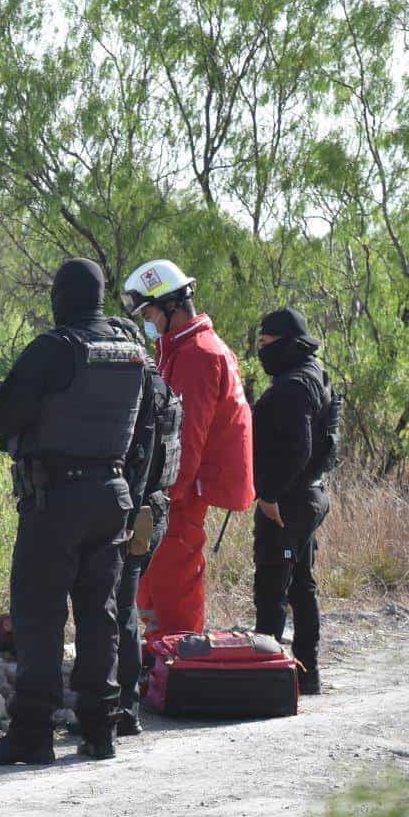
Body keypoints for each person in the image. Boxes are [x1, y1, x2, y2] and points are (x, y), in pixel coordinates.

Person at [0, 258, 149, 764]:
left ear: (61, 296)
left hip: (56, 500)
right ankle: (100, 730)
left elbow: (4, 415)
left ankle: (33, 735)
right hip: (113, 495)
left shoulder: (55, 348)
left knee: (40, 617)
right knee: (101, 615)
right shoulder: (132, 349)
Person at [120, 260, 254, 639]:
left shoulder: (197, 355)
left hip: (181, 494)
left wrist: (164, 497)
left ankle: (178, 671)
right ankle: (157, 664)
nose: (148, 322)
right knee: (153, 587)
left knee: (173, 589)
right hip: (174, 492)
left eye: (149, 313)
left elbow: (186, 439)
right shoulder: (183, 348)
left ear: (171, 306)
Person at [251, 308, 339, 695]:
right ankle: (307, 675)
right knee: (302, 585)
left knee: (273, 587)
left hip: (289, 501)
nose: (260, 350)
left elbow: (299, 450)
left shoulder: (292, 386)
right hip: (311, 495)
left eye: (266, 344)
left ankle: (269, 679)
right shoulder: (315, 374)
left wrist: (269, 496)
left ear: (286, 344)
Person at [108, 318, 182, 735]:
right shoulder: (162, 385)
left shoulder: (138, 387)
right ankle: (125, 707)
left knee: (118, 610)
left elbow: (137, 458)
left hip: (136, 513)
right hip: (155, 510)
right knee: (125, 606)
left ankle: (122, 710)